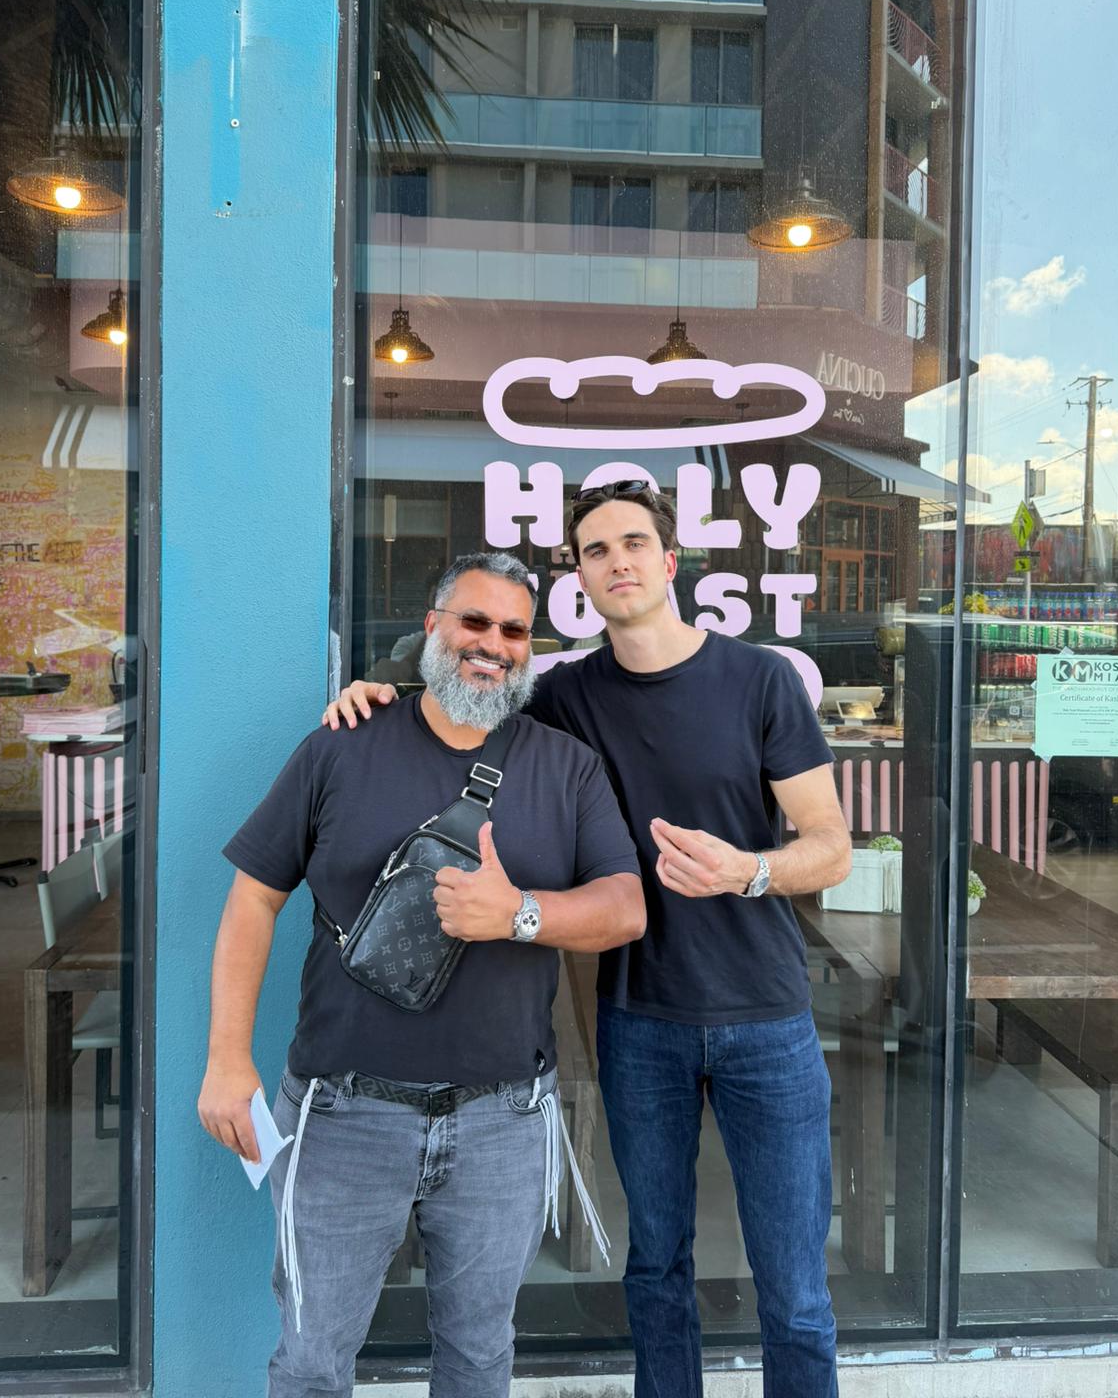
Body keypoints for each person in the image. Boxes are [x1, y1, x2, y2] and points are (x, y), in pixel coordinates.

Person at [326, 484, 852, 1398]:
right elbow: (462, 696)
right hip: (637, 1018)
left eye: (634, 542)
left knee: (797, 1292)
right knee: (655, 1270)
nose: (617, 560)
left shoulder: (759, 679)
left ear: (670, 560)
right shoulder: (565, 695)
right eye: (595, 549)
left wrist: (748, 871)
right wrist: (380, 693)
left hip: (767, 1017)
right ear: (580, 576)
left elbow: (831, 847)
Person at [201, 550, 645, 1398]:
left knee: (479, 1360)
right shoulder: (342, 745)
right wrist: (228, 1060)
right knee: (311, 1363)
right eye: (474, 621)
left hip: (503, 1123)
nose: (494, 644)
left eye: (514, 630)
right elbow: (253, 900)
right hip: (341, 1113)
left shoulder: (565, 765)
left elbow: (626, 907)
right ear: (433, 627)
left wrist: (518, 912)